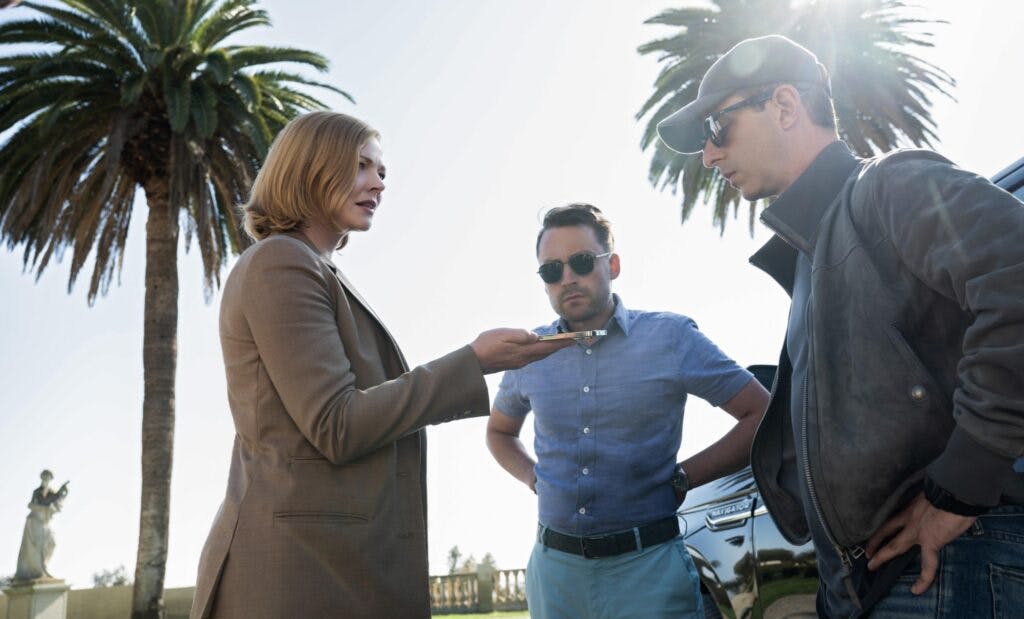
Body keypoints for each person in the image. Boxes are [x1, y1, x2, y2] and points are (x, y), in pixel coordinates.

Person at [657, 34, 1024, 618]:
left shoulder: (890, 185)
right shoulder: (814, 254)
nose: (707, 156)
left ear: (784, 105)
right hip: (874, 584)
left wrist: (959, 486)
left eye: (717, 128)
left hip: (950, 565)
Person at [190, 111, 570, 619]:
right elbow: (337, 424)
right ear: (308, 167)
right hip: (296, 573)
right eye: (361, 166)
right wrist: (473, 362)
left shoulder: (314, 268)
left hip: (330, 564)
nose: (378, 183)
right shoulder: (280, 262)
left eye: (382, 172)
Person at [486, 204, 770, 619]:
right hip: (555, 577)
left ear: (613, 265)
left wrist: (685, 477)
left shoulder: (671, 338)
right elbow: (498, 432)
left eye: (582, 262)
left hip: (650, 571)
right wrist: (533, 477)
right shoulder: (529, 354)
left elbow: (761, 413)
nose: (568, 278)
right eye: (552, 270)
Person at [14, 470, 69, 582]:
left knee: (52, 543)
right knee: (38, 546)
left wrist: (63, 494)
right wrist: (42, 506)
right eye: (45, 477)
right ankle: (40, 570)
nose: (46, 479)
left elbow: (58, 504)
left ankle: (44, 567)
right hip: (36, 521)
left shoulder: (52, 492)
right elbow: (32, 504)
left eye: (48, 477)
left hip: (46, 522)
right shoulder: (37, 491)